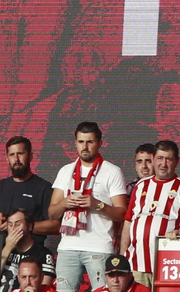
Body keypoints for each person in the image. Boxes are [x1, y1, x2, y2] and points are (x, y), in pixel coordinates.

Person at [48, 121, 127, 292]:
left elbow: (122, 213)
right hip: (68, 247)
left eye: (90, 142)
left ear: (100, 143)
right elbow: (52, 213)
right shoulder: (65, 171)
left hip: (99, 247)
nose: (85, 147)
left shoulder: (112, 171)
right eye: (81, 142)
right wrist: (64, 203)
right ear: (75, 143)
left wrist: (96, 204)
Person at [122, 140, 180, 276]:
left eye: (169, 159)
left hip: (170, 266)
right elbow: (129, 222)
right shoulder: (140, 185)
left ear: (177, 162)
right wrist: (122, 256)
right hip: (136, 264)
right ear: (153, 159)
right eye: (160, 158)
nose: (163, 164)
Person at [0, 138, 56, 247]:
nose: (16, 159)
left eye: (20, 154)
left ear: (30, 156)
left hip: (31, 256)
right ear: (7, 158)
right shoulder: (1, 186)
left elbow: (55, 226)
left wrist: (22, 227)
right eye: (12, 155)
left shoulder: (43, 187)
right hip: (1, 254)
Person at [0, 210, 53, 292]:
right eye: (10, 225)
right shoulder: (3, 248)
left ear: (29, 226)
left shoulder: (43, 253)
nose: (13, 229)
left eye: (18, 224)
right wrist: (8, 247)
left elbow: (43, 287)